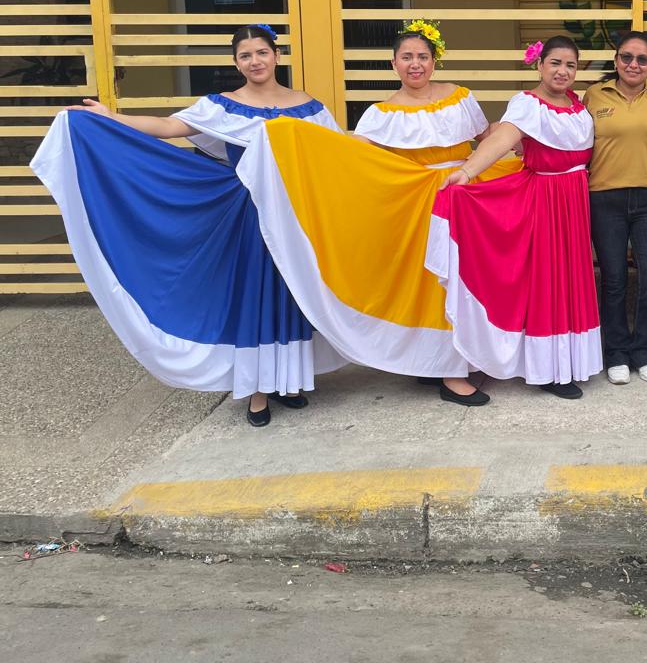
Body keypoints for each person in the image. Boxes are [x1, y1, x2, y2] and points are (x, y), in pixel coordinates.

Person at [30, 24, 346, 427]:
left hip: (295, 214)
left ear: (277, 56)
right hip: (249, 215)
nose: (255, 61)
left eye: (262, 53)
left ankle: (288, 381)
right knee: (254, 295)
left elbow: (337, 151)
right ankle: (256, 390)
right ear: (236, 63)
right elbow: (168, 127)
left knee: (290, 293)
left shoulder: (307, 105)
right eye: (245, 55)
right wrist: (112, 117)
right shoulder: (223, 105)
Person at [235, 21, 522, 407]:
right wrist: (291, 139)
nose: (415, 64)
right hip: (417, 207)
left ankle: (456, 360)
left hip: (465, 195)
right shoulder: (381, 114)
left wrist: (524, 146)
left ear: (434, 61)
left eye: (423, 57)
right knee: (430, 286)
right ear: (393, 63)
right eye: (407, 57)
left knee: (465, 279)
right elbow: (350, 154)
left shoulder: (460, 97)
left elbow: (486, 138)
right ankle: (449, 372)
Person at [426, 35, 602, 399]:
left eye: (570, 65)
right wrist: (468, 171)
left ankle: (566, 362)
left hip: (574, 202)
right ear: (539, 65)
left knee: (571, 278)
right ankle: (547, 370)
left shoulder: (578, 105)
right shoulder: (527, 104)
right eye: (555, 63)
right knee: (549, 281)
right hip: (545, 201)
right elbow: (502, 138)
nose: (562, 71)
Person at [582, 31, 647, 385]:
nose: (634, 64)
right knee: (614, 279)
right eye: (627, 57)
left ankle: (644, 349)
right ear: (616, 59)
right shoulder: (594, 95)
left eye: (642, 59)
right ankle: (617, 352)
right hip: (605, 199)